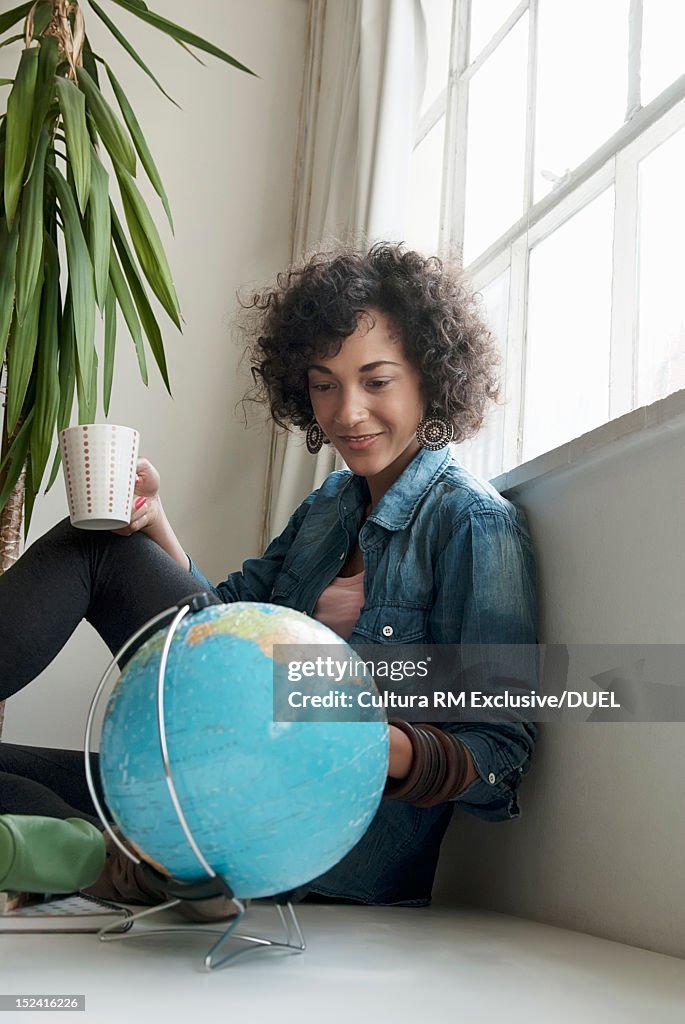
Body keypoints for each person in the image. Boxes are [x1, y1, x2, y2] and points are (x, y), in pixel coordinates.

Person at [0, 243, 536, 909]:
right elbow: (220, 624)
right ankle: (112, 864)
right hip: (218, 776)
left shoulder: (473, 523)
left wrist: (365, 736)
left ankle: (139, 867)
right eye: (323, 384)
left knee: (94, 546)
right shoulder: (328, 508)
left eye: (375, 381)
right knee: (103, 539)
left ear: (429, 376)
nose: (346, 414)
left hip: (327, 833)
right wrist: (156, 524)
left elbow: (500, 754)